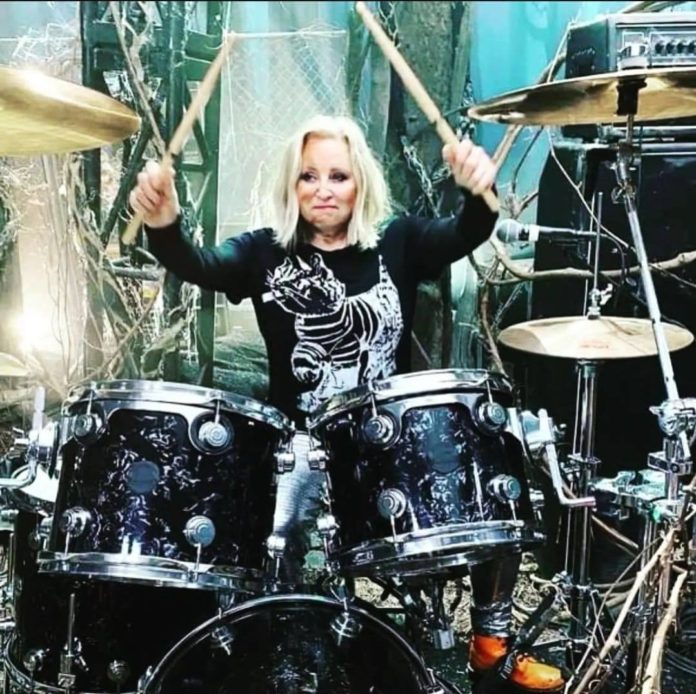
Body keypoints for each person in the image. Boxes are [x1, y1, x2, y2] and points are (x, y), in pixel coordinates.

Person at [129, 114, 563, 692]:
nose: (323, 189)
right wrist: (163, 225)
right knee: (281, 529)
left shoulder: (397, 242)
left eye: (338, 176)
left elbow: (465, 232)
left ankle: (491, 644)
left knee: (487, 482)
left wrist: (478, 193)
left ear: (360, 183)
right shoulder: (264, 252)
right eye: (308, 176)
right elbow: (198, 264)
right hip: (302, 443)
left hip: (384, 438)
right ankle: (283, 649)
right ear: (291, 185)